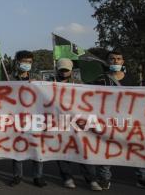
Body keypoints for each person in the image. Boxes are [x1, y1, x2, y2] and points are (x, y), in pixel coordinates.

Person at [93, 50, 145, 191]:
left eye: (118, 59)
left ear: (123, 62)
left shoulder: (132, 79)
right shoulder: (100, 80)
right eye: (112, 59)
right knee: (106, 149)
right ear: (107, 62)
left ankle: (143, 178)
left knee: (136, 149)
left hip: (129, 120)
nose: (115, 61)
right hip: (108, 120)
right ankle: (104, 178)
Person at [52, 58, 102, 191]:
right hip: (59, 123)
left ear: (72, 71)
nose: (63, 73)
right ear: (57, 70)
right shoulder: (49, 84)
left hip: (78, 123)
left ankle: (91, 179)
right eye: (61, 70)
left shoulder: (79, 84)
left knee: (83, 150)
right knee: (62, 151)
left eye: (66, 70)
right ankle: (67, 177)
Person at [9, 50, 46, 188]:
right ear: (17, 62)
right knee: (18, 147)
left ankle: (38, 176)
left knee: (37, 147)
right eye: (24, 61)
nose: (27, 64)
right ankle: (17, 176)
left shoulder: (37, 77)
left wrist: (38, 85)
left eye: (29, 62)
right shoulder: (9, 79)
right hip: (16, 118)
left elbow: (46, 94)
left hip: (35, 117)